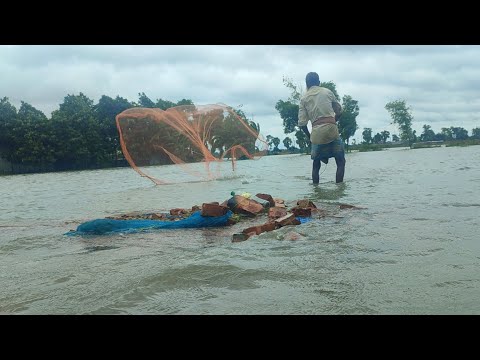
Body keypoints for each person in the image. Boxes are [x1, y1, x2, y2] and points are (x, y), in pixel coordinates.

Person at [298, 72, 346, 185]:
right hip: (332, 131)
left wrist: (310, 138)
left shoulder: (303, 99)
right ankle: (339, 189)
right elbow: (339, 111)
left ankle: (316, 190)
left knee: (316, 165)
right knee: (340, 161)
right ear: (319, 82)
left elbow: (302, 124)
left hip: (316, 134)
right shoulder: (327, 92)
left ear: (306, 84)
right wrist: (333, 121)